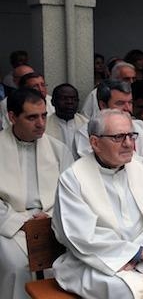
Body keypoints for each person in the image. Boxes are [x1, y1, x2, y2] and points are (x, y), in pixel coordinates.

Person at [52, 109, 143, 298]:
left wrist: (142, 253)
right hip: (94, 263)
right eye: (118, 137)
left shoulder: (139, 170)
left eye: (131, 136)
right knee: (128, 291)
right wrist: (135, 253)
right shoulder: (73, 179)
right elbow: (81, 236)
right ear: (95, 143)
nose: (129, 144)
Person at [0, 89, 73, 299]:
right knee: (16, 264)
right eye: (32, 117)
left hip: (51, 219)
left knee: (65, 260)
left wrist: (52, 217)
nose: (41, 123)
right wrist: (19, 221)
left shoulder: (58, 150)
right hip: (9, 223)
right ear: (12, 117)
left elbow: (71, 193)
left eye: (43, 115)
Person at [74, 80, 143, 179]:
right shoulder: (86, 132)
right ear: (103, 105)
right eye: (120, 103)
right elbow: (104, 169)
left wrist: (123, 159)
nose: (127, 108)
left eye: (130, 102)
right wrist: (141, 162)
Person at [45, 83, 89, 148]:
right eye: (64, 98)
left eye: (74, 99)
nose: (70, 102)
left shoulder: (86, 124)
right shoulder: (44, 125)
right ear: (53, 102)